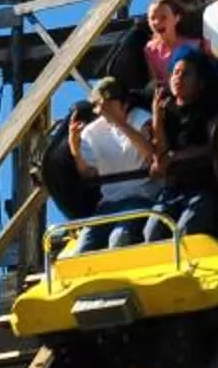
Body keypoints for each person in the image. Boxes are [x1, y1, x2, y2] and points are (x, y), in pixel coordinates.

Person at [65, 77, 166, 248]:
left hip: (140, 198)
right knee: (83, 247)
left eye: (109, 104)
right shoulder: (92, 132)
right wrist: (75, 150)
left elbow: (151, 154)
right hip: (109, 204)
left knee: (118, 240)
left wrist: (119, 122)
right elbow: (88, 173)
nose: (103, 111)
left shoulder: (140, 119)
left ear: (124, 104)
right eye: (100, 106)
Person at [152, 45, 218, 237]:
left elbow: (214, 147)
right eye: (175, 73)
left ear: (200, 83)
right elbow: (162, 155)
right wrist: (157, 119)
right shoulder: (167, 111)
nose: (178, 78)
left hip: (205, 187)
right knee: (152, 234)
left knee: (184, 233)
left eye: (186, 74)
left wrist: (176, 156)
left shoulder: (209, 109)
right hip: (175, 190)